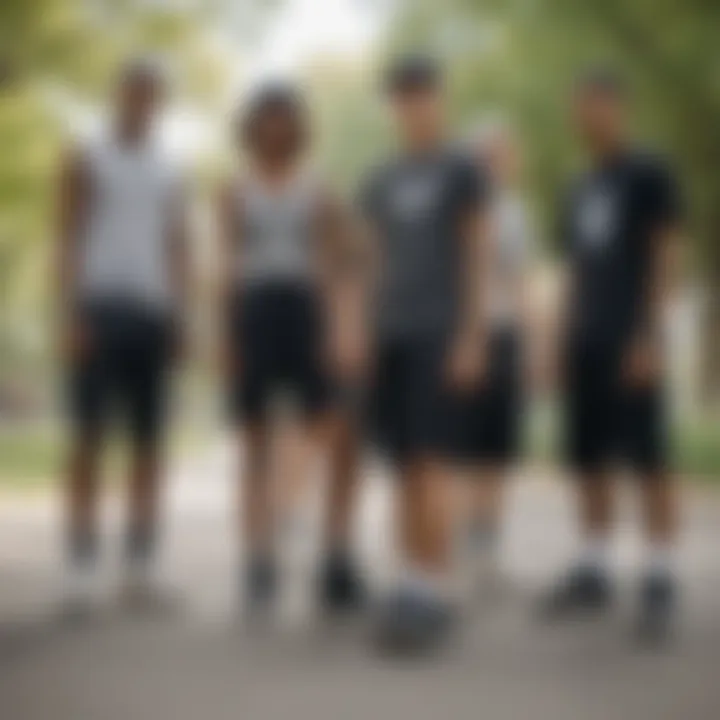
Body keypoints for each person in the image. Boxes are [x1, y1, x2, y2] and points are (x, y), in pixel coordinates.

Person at [541, 68, 683, 643]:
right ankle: (596, 565)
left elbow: (666, 255)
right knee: (587, 456)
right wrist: (558, 338)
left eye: (598, 102)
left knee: (648, 457)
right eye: (580, 105)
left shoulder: (649, 173)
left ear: (618, 106)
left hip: (633, 339)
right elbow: (574, 270)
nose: (588, 114)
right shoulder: (578, 185)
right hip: (586, 341)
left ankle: (659, 574)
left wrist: (650, 335)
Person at [217, 82, 363, 616]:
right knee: (254, 445)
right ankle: (259, 561)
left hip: (306, 310)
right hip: (255, 311)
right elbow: (229, 268)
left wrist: (339, 327)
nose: (276, 127)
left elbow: (337, 264)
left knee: (334, 431)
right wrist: (227, 336)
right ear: (252, 127)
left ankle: (334, 555)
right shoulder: (234, 190)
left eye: (286, 118)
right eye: (267, 118)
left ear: (299, 128)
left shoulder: (319, 190)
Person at [360, 55, 489, 654]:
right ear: (394, 107)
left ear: (440, 98)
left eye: (422, 93)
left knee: (433, 462)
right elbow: (373, 262)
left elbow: (476, 256)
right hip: (391, 335)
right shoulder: (381, 178)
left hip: (440, 331)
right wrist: (362, 329)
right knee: (402, 465)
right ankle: (410, 581)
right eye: (403, 96)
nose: (413, 105)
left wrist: (471, 335)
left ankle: (433, 590)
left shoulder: (462, 169)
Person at [56, 58, 189, 613]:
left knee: (149, 446)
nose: (143, 102)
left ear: (160, 102)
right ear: (118, 94)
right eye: (135, 92)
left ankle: (139, 569)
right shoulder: (86, 156)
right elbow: (66, 238)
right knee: (88, 439)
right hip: (99, 309)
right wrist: (70, 316)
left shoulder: (171, 167)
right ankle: (81, 570)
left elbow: (178, 244)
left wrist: (182, 318)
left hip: (153, 315)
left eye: (153, 95)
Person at [458, 120, 536, 594]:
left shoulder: (515, 212)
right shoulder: (457, 205)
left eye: (500, 154)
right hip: (461, 339)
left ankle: (486, 548)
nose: (493, 162)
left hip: (504, 334)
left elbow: (521, 279)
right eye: (484, 154)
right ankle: (453, 544)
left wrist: (531, 344)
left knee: (495, 450)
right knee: (457, 448)